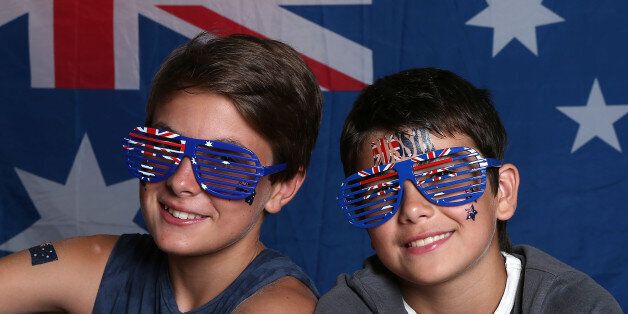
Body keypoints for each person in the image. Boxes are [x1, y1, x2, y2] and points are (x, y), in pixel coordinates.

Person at [0, 33, 322, 313]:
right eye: (165, 147)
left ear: (283, 187)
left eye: (223, 163)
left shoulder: (281, 306)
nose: (179, 182)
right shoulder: (104, 266)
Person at [316, 68, 621, 313]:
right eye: (381, 190)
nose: (412, 209)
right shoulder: (344, 308)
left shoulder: (578, 306)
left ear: (502, 191)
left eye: (444, 175)